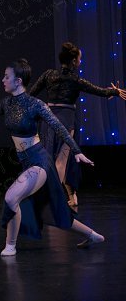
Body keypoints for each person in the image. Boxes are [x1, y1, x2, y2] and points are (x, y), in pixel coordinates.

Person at [0, 59, 104, 256]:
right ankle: (92, 235)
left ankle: (10, 246)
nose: (3, 80)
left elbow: (59, 127)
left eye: (6, 77)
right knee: (52, 213)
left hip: (39, 161)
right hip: (26, 162)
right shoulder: (7, 103)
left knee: (11, 197)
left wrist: (77, 150)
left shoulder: (36, 104)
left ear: (18, 81)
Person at [28, 42, 126, 208]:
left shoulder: (48, 75)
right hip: (65, 122)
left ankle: (66, 196)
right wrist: (115, 91)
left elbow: (31, 94)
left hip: (48, 121)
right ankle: (57, 198)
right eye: (80, 58)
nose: (80, 61)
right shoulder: (76, 80)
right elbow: (100, 91)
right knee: (62, 161)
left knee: (53, 161)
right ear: (74, 61)